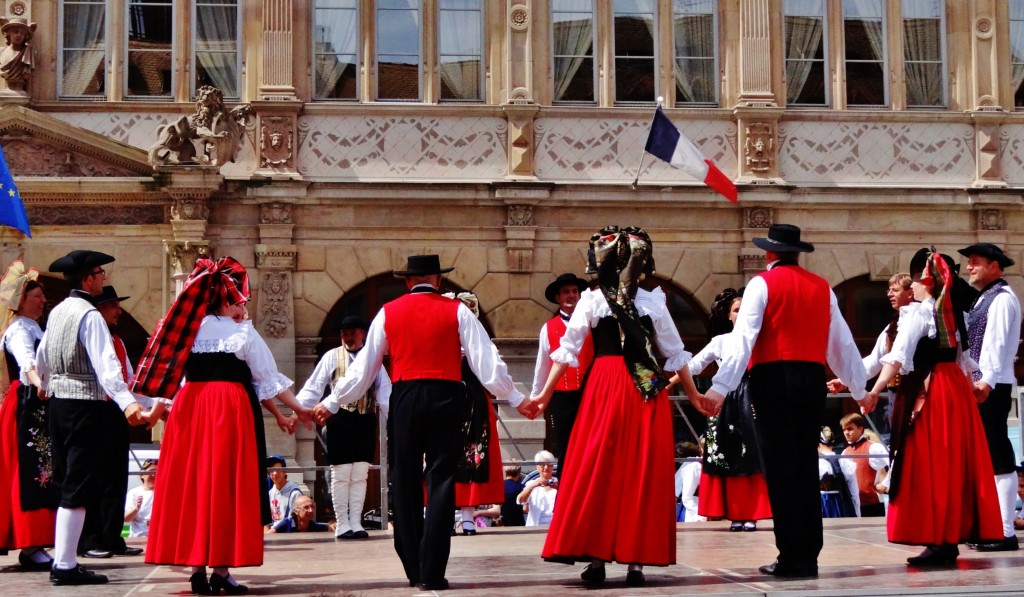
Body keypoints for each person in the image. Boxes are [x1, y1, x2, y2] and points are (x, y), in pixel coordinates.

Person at [311, 254, 534, 592]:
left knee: (404, 477)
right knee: (442, 478)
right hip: (446, 395)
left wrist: (332, 402)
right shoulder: (457, 311)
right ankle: (433, 569)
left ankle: (413, 565)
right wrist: (517, 399)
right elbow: (485, 362)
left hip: (405, 395)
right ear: (438, 280)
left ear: (407, 281)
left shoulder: (388, 312)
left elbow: (364, 368)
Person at [132, 256, 314, 596]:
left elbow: (167, 378)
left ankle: (196, 569)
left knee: (194, 485)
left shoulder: (185, 329)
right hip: (229, 410)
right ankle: (221, 570)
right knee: (226, 485)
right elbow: (269, 378)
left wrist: (154, 412)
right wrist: (299, 408)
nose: (242, 304)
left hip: (191, 408)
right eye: (238, 298)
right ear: (226, 299)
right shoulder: (241, 332)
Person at [697, 224, 870, 578]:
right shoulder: (822, 287)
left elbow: (743, 339)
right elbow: (841, 343)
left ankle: (791, 555)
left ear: (769, 253)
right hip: (810, 379)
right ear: (797, 253)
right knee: (805, 463)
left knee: (780, 467)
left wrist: (719, 387)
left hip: (773, 379)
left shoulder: (761, 284)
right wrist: (859, 389)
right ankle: (808, 553)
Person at [533, 226, 702, 587]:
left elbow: (567, 350)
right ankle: (632, 561)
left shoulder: (596, 301)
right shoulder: (648, 302)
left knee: (602, 468)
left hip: (608, 385)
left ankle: (601, 560)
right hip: (643, 387)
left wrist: (544, 395)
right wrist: (693, 395)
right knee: (638, 470)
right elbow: (674, 353)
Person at [863, 247, 1003, 566]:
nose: (911, 287)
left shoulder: (920, 314)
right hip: (954, 390)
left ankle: (939, 538)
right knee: (952, 464)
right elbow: (962, 359)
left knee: (930, 465)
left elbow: (897, 358)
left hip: (931, 393)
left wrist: (874, 391)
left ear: (925, 282)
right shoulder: (952, 314)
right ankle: (947, 538)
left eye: (914, 281)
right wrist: (974, 387)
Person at [37, 250, 158, 586]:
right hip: (85, 406)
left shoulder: (58, 311)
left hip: (59, 405)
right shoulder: (90, 316)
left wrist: (44, 384)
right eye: (100, 273)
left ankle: (64, 560)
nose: (104, 277)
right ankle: (64, 565)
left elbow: (43, 354)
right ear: (88, 278)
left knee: (67, 481)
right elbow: (107, 366)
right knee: (78, 485)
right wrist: (127, 403)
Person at [684, 288, 771, 532]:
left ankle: (752, 513)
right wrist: (670, 382)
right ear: (729, 315)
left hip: (754, 398)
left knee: (752, 457)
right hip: (724, 400)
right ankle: (734, 513)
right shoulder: (721, 341)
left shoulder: (762, 340)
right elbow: (693, 366)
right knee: (725, 456)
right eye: (736, 310)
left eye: (745, 309)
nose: (741, 313)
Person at [296, 314, 390, 540]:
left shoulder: (373, 359)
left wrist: (393, 419)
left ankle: (356, 521)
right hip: (339, 419)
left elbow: (385, 391)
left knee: (360, 473)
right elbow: (315, 386)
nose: (348, 337)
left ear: (363, 334)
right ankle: (342, 523)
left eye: (352, 333)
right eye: (344, 334)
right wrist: (297, 410)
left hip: (365, 419)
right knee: (341, 473)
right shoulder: (332, 356)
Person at [958, 242, 1022, 553]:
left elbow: (996, 345)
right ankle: (988, 525)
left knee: (998, 453)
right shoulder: (985, 297)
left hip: (991, 385)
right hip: (982, 383)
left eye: (975, 261)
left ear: (994, 266)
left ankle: (1005, 530)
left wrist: (985, 383)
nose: (969, 267)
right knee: (985, 455)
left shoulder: (1002, 298)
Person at [78, 285, 142, 559]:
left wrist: (147, 404)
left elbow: (129, 377)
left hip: (115, 410)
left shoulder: (118, 341)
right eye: (113, 305)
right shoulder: (90, 335)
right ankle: (90, 539)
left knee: (116, 475)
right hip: (93, 408)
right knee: (94, 476)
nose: (119, 311)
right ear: (99, 308)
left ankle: (112, 536)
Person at [0, 260, 55, 571]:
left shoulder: (34, 327)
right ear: (21, 301)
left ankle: (36, 540)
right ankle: (30, 542)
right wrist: (39, 384)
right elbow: (27, 362)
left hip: (36, 401)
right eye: (37, 295)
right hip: (26, 403)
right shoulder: (19, 329)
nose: (43, 300)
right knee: (31, 470)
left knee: (42, 470)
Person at [447, 292, 506, 536]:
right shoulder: (445, 339)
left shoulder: (480, 343)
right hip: (446, 401)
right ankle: (446, 516)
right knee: (444, 458)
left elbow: (492, 370)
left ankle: (468, 516)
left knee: (473, 459)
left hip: (473, 404)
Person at [829, 273, 916, 427]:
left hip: (918, 394)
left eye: (895, 290)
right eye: (889, 290)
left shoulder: (921, 318)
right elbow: (874, 360)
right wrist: (845, 380)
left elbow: (896, 358)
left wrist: (874, 391)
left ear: (910, 293)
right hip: (896, 395)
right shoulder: (892, 327)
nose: (889, 294)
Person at [531, 273, 592, 476]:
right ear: (558, 297)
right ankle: (566, 484)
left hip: (589, 392)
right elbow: (542, 365)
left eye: (575, 291)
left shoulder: (592, 323)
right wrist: (537, 397)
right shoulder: (548, 327)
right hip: (561, 396)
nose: (572, 295)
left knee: (591, 441)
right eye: (566, 292)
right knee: (564, 443)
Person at [838, 413, 888, 517]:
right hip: (853, 506)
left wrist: (885, 484)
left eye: (850, 429)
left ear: (860, 428)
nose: (846, 433)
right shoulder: (845, 452)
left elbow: (895, 463)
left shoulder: (874, 447)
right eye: (844, 430)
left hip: (872, 505)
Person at [817, 427, 856, 518]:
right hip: (841, 505)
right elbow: (854, 492)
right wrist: (856, 514)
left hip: (823, 505)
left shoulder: (817, 463)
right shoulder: (844, 461)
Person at [516, 450, 558, 527]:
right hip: (535, 527)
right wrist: (532, 486)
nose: (546, 467)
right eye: (542, 465)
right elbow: (520, 500)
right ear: (537, 466)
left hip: (554, 527)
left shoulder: (560, 483)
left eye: (549, 465)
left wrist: (559, 488)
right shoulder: (531, 484)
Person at [266, 455, 303, 531]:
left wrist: (272, 531)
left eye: (278, 469)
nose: (274, 473)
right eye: (271, 470)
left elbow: (293, 520)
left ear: (285, 471)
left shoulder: (294, 493)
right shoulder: (270, 493)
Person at [123, 459, 156, 538]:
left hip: (157, 538)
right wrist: (136, 508)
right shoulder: (134, 492)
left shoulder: (164, 493)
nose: (154, 475)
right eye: (151, 471)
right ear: (142, 475)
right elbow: (126, 518)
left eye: (157, 472)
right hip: (138, 538)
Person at [0, 17, 35, 91]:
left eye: (22, 33)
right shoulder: (1, 52)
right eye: (16, 32)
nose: (19, 35)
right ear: (9, 34)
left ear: (25, 36)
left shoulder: (28, 53)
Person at [268, 495, 335, 534]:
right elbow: (268, 535)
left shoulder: (314, 526)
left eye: (312, 507)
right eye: (306, 507)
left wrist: (333, 525)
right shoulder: (287, 523)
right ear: (296, 511)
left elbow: (329, 526)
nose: (311, 510)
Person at [674, 441, 704, 522]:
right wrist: (700, 516)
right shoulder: (693, 467)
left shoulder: (695, 466)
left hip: (698, 511)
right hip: (695, 514)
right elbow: (687, 498)